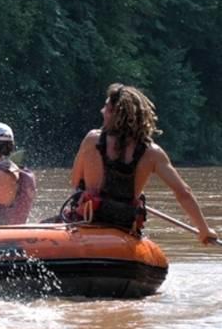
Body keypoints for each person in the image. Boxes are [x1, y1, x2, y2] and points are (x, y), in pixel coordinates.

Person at [70, 83, 218, 243]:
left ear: (115, 114)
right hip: (124, 226)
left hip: (88, 220)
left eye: (106, 108)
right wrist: (204, 229)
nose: (102, 111)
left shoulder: (91, 140)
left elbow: (76, 181)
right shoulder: (153, 153)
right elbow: (183, 193)